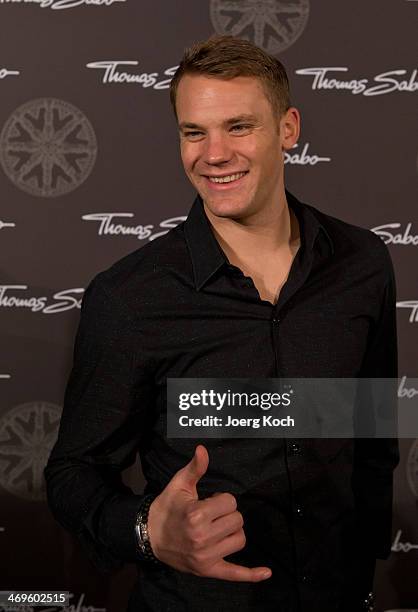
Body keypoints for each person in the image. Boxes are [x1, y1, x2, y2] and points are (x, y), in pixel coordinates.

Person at [45, 35, 399, 611]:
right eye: (194, 132)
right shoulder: (130, 297)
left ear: (288, 129)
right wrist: (147, 530)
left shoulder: (363, 264)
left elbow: (373, 431)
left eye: (238, 127)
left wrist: (362, 565)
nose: (213, 154)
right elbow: (73, 473)